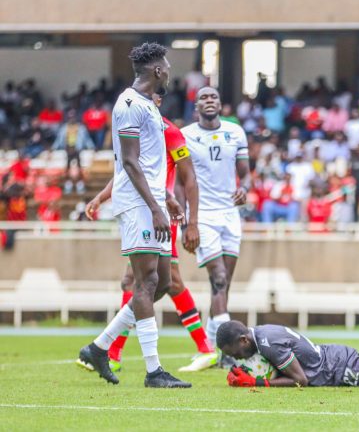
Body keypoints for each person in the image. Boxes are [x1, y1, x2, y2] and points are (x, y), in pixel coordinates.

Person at [77, 42, 191, 388]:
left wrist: (166, 197)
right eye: (167, 66)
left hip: (152, 201)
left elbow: (152, 164)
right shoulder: (129, 105)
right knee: (145, 283)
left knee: (162, 283)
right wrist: (155, 206)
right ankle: (154, 371)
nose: (169, 71)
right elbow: (130, 162)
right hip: (138, 205)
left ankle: (99, 347)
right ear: (156, 70)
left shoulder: (149, 108)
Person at [78, 116, 216, 373]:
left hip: (161, 215)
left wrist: (192, 223)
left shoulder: (170, 132)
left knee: (156, 282)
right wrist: (100, 197)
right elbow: (128, 171)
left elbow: (189, 177)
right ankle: (111, 351)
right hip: (144, 212)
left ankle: (111, 350)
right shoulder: (138, 128)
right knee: (146, 283)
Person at [182, 86, 251, 352]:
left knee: (223, 284)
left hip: (230, 215)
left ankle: (210, 346)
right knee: (219, 278)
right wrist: (187, 222)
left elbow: (244, 173)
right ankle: (228, 351)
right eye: (204, 97)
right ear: (196, 106)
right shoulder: (186, 136)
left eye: (214, 97)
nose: (209, 100)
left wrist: (244, 187)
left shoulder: (235, 132)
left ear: (221, 104)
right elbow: (181, 181)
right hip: (203, 215)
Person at [217, 320, 359, 388]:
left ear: (243, 340)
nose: (237, 358)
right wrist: (239, 372)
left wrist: (255, 382)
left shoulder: (269, 343)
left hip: (337, 366)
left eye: (235, 353)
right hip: (329, 360)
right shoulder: (259, 336)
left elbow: (301, 380)